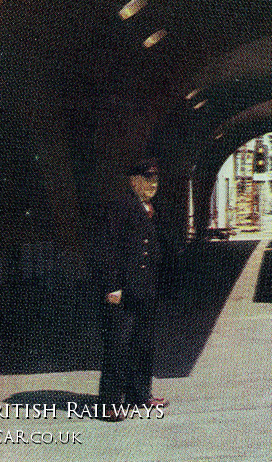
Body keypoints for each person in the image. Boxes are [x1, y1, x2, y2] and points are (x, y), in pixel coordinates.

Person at [98, 156, 168, 421]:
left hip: (146, 289)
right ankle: (109, 403)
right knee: (118, 346)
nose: (153, 184)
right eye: (147, 179)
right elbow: (106, 251)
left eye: (156, 179)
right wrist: (112, 286)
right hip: (123, 291)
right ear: (133, 181)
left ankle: (141, 396)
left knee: (143, 345)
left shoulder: (149, 207)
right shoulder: (120, 208)